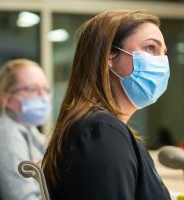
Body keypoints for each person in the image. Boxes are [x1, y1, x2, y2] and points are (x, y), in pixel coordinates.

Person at [42, 10, 171, 200]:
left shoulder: (104, 129)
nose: (161, 61)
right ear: (109, 56)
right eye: (151, 48)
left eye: (163, 53)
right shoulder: (101, 132)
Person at [0, 59, 51, 200]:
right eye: (32, 89)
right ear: (8, 99)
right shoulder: (4, 137)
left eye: (46, 89)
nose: (43, 96)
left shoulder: (29, 132)